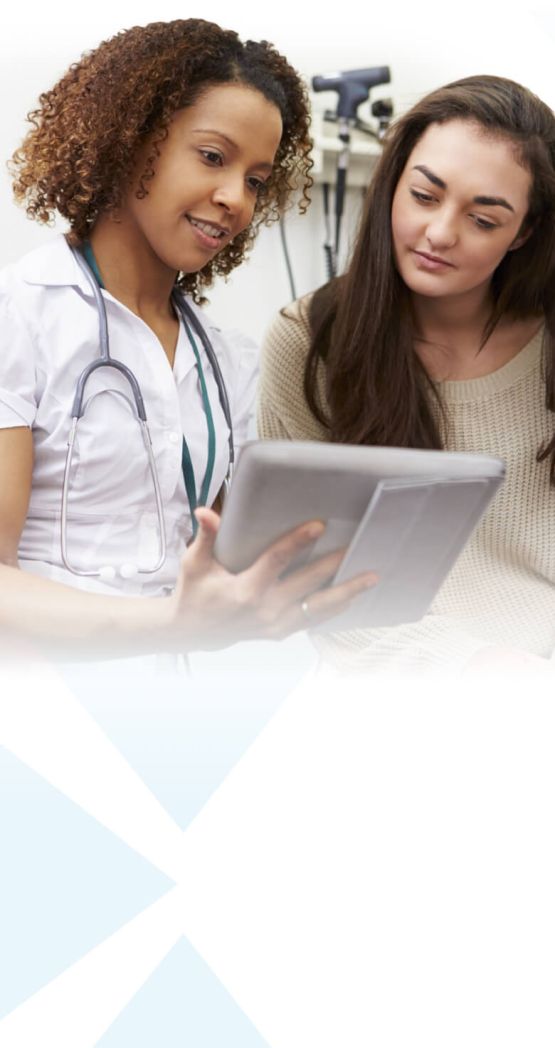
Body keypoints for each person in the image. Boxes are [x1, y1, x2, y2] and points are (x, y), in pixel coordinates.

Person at [0, 18, 374, 660]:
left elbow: (221, 562)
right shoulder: (20, 316)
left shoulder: (226, 360)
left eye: (256, 181)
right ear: (128, 141)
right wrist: (171, 625)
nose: (235, 199)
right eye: (212, 157)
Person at [258, 75, 555, 673]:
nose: (440, 234)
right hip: (416, 680)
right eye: (425, 196)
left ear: (523, 232)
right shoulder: (309, 343)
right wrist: (484, 668)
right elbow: (307, 580)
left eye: (484, 219)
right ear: (393, 184)